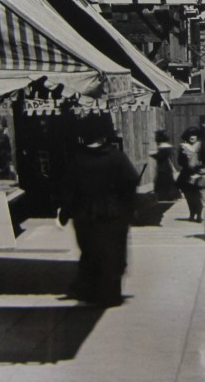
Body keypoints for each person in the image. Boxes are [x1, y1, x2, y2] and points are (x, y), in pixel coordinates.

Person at [57, 119, 139, 307]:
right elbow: (131, 181)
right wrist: (130, 208)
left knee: (90, 251)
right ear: (104, 136)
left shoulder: (77, 159)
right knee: (114, 253)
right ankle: (111, 294)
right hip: (114, 213)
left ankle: (91, 292)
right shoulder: (117, 157)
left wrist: (65, 213)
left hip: (85, 213)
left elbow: (68, 189)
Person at [176, 128, 202, 222]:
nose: (192, 137)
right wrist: (187, 161)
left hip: (199, 173)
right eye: (190, 135)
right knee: (188, 195)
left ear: (197, 136)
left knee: (198, 195)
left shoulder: (201, 146)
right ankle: (192, 213)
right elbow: (179, 161)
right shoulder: (183, 147)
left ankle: (199, 214)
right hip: (186, 174)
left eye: (194, 135)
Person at [149, 129, 180, 202]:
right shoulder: (166, 147)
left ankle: (164, 195)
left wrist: (153, 155)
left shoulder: (164, 147)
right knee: (168, 181)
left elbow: (160, 156)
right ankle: (168, 195)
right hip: (166, 166)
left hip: (163, 167)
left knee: (163, 181)